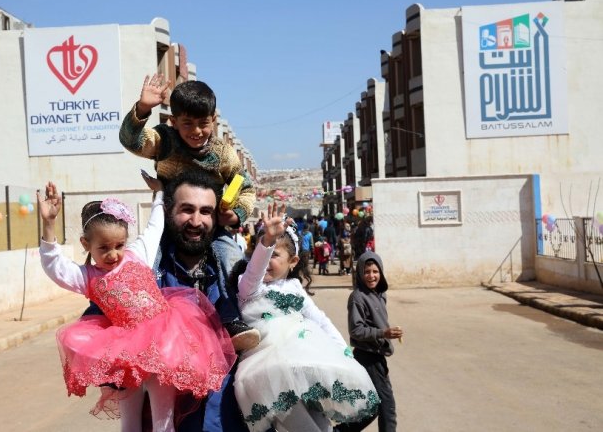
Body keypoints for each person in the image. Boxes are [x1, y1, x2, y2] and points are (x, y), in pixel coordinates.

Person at [37, 179, 237, 431]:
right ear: (86, 245)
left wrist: (158, 194)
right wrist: (48, 224)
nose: (113, 254)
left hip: (165, 339)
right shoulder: (87, 276)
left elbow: (155, 226)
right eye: (104, 248)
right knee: (129, 418)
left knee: (163, 417)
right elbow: (54, 267)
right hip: (126, 351)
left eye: (119, 245)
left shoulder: (138, 253)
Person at [84, 170, 256, 431]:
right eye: (187, 209)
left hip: (226, 418)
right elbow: (98, 319)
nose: (196, 221)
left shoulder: (235, 273)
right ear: (167, 211)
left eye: (206, 211)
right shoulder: (142, 267)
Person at [230, 203, 379, 432]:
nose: (267, 260)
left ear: (293, 261)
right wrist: (267, 242)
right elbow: (254, 273)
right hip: (267, 371)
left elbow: (320, 320)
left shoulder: (295, 288)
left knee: (321, 424)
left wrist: (343, 353)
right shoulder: (250, 286)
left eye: (275, 255)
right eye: (263, 253)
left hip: (302, 368)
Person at [119, 74, 255, 275]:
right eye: (188, 123)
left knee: (233, 264)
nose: (197, 131)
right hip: (167, 226)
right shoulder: (164, 140)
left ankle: (232, 307)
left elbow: (246, 187)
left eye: (203, 123)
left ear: (213, 120)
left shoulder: (224, 154)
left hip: (209, 229)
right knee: (146, 269)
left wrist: (235, 215)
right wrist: (142, 108)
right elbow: (131, 141)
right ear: (173, 121)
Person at [342, 251, 403, 432]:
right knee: (387, 407)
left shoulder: (379, 294)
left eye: (375, 271)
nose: (371, 276)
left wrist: (388, 334)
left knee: (370, 408)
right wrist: (383, 333)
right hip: (367, 357)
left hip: (377, 356)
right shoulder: (358, 297)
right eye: (367, 272)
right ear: (360, 273)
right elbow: (356, 330)